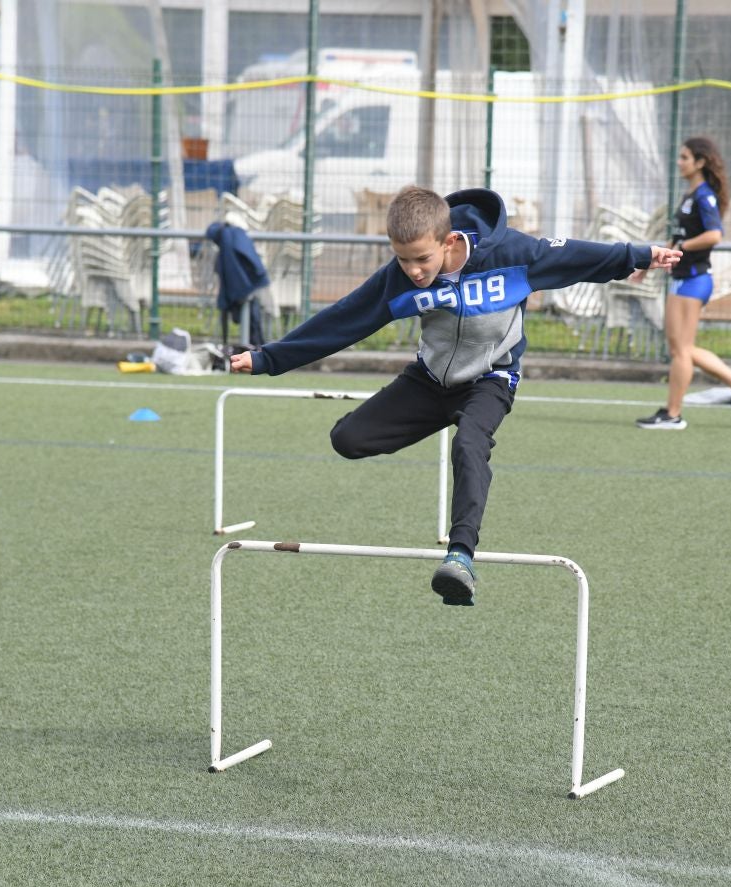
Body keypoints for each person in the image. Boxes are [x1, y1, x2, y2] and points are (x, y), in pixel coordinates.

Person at [230, 185, 680, 606]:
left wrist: (638, 255)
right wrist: (269, 358)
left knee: (469, 444)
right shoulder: (400, 279)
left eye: (421, 259)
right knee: (347, 440)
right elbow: (344, 319)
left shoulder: (512, 254)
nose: (413, 271)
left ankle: (460, 558)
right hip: (428, 382)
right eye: (403, 260)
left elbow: (577, 256)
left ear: (448, 242)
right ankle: (447, 419)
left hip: (491, 380)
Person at [636, 136, 731, 431]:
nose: (679, 162)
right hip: (682, 280)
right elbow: (677, 237)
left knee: (680, 350)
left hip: (694, 280)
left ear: (700, 162)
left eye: (684, 157)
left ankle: (673, 414)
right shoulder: (690, 195)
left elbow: (715, 234)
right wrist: (648, 264)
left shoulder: (704, 196)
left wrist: (684, 247)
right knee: (683, 349)